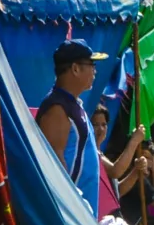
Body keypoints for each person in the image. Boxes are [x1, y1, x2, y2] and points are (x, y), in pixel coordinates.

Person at [36, 42, 106, 190]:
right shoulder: (57, 109)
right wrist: (74, 204)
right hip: (71, 208)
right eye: (92, 65)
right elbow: (54, 165)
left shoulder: (74, 104)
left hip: (83, 209)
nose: (95, 71)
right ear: (75, 69)